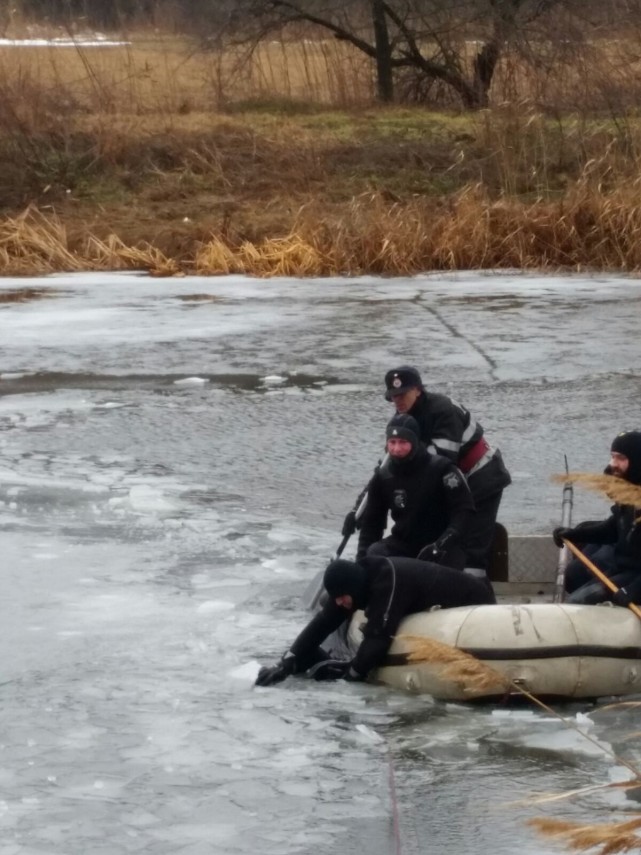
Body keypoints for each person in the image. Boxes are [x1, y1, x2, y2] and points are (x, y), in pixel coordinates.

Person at [255, 553, 495, 687]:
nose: (338, 603)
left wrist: (352, 676)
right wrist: (287, 662)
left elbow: (379, 638)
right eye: (336, 598)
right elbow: (323, 622)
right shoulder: (355, 585)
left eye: (341, 597)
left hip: (476, 603)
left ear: (352, 588)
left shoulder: (387, 581)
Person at [380, 365, 511, 572]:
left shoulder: (442, 410)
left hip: (481, 478)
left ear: (418, 390)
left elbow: (439, 461)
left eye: (402, 394)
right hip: (454, 481)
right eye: (393, 396)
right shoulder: (401, 422)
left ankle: (476, 589)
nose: (398, 400)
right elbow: (389, 466)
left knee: (471, 546)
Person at [355, 413, 477, 577]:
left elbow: (465, 512)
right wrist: (360, 568)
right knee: (375, 552)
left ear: (414, 442)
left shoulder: (443, 470)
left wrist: (440, 545)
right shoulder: (383, 477)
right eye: (392, 442)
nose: (396, 449)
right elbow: (371, 526)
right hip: (405, 544)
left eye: (403, 442)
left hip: (442, 545)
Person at [553, 430, 641, 606]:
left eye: (620, 458)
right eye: (612, 456)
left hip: (636, 577)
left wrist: (632, 590)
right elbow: (611, 530)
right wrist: (574, 534)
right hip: (622, 568)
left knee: (578, 601)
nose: (613, 463)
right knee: (574, 581)